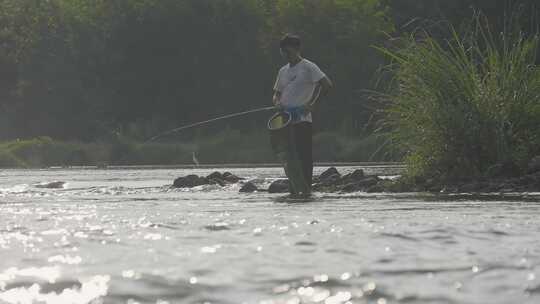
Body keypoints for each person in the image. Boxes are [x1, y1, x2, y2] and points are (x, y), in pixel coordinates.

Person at [272, 34, 333, 196]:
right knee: (288, 155)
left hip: (302, 119)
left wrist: (312, 104)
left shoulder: (309, 67)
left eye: (288, 51)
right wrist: (277, 102)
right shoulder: (282, 71)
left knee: (304, 156)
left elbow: (327, 85)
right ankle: (294, 187)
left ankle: (306, 189)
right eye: (283, 52)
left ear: (297, 49)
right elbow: (277, 93)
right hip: (284, 120)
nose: (286, 55)